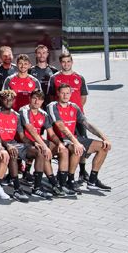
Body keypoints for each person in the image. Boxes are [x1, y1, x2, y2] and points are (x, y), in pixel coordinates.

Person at [48, 83, 112, 192]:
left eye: (67, 93)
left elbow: (87, 124)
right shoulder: (52, 106)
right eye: (62, 93)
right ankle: (70, 181)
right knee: (78, 148)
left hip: (74, 139)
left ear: (71, 94)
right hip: (59, 141)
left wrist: (104, 137)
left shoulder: (74, 107)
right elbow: (61, 126)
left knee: (104, 147)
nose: (65, 96)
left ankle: (92, 180)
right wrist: (76, 142)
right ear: (58, 93)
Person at [47, 52, 91, 181]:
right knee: (61, 145)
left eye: (68, 61)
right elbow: (50, 97)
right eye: (64, 62)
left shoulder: (79, 78)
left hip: (76, 117)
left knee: (82, 142)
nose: (66, 64)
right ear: (60, 63)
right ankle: (61, 173)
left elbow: (83, 97)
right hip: (60, 119)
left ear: (72, 62)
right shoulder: (54, 78)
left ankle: (82, 171)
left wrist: (75, 111)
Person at [19, 90, 69, 198]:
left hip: (39, 141)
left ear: (42, 101)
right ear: (30, 99)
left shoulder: (43, 114)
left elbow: (51, 133)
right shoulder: (24, 110)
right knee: (43, 151)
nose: (37, 102)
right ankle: (48, 185)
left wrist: (59, 144)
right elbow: (31, 130)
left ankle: (62, 184)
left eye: (40, 99)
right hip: (26, 141)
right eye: (34, 98)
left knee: (63, 150)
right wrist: (45, 147)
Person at [0, 89, 31, 202]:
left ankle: (38, 184)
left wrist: (34, 144)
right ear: (1, 99)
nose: (8, 101)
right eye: (6, 99)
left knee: (38, 151)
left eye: (11, 99)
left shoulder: (16, 115)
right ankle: (17, 188)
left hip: (12, 143)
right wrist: (7, 145)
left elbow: (22, 136)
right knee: (12, 153)